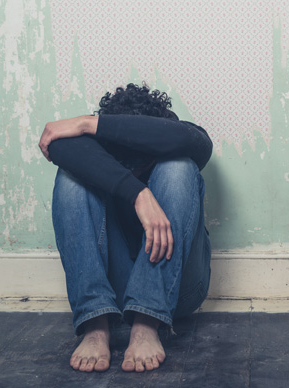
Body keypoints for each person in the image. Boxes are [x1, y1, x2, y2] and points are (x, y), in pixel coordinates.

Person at [38, 83, 213, 373]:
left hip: (180, 287)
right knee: (71, 177)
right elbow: (57, 145)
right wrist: (137, 193)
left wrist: (84, 122)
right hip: (115, 291)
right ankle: (95, 323)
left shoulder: (175, 142)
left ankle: (147, 322)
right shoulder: (98, 150)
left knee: (179, 168)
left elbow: (196, 140)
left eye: (140, 159)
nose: (132, 167)